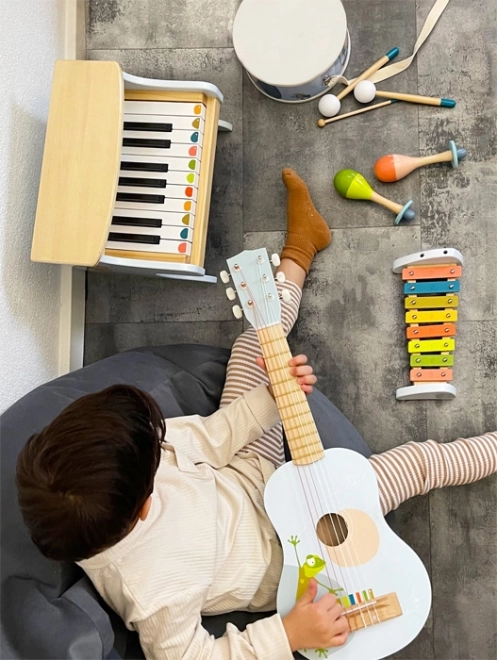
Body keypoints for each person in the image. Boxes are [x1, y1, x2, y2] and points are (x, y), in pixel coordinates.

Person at [16, 169, 496, 660]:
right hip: (294, 553)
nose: (162, 447)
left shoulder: (130, 458)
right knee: (416, 463)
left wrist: (272, 396)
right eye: (154, 454)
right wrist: (285, 635)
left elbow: (213, 437)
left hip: (249, 471)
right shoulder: (153, 594)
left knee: (255, 344)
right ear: (142, 503)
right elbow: (193, 658)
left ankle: (300, 251)